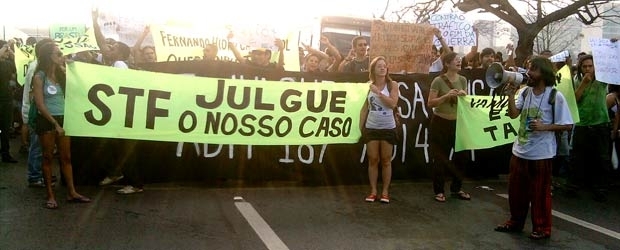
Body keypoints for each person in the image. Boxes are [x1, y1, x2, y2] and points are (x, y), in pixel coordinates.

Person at [495, 56, 573, 240]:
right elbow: (514, 114)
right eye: (529, 69)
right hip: (520, 150)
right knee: (516, 192)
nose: (528, 73)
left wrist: (545, 127)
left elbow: (567, 125)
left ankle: (542, 227)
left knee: (540, 194)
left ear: (543, 73)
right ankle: (515, 222)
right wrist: (510, 96)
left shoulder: (555, 96)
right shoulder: (525, 92)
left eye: (533, 70)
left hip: (541, 154)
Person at [32, 42, 91, 209]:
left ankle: (72, 192)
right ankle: (50, 194)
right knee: (48, 157)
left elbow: (81, 85)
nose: (62, 56)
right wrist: (55, 123)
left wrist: (73, 68)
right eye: (58, 54)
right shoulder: (39, 76)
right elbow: (40, 104)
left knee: (66, 157)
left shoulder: (63, 74)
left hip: (65, 118)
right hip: (47, 120)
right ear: (48, 56)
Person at [567, 54, 612, 202]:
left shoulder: (602, 79)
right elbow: (575, 99)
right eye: (584, 66)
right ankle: (574, 186)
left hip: (600, 123)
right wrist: (583, 84)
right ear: (580, 67)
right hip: (582, 124)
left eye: (590, 66)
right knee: (577, 157)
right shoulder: (576, 80)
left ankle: (600, 189)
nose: (587, 69)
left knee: (601, 158)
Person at [427, 52, 470, 202]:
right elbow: (431, 103)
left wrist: (464, 96)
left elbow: (467, 103)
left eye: (460, 60)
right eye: (456, 60)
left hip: (458, 123)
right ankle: (439, 190)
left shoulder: (463, 80)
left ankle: (456, 188)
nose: (459, 62)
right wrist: (446, 96)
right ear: (447, 64)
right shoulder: (438, 81)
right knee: (439, 158)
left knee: (461, 157)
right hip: (440, 122)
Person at [359, 56, 399, 204]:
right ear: (373, 70)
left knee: (386, 160)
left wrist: (379, 93)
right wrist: (360, 128)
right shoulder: (367, 86)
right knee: (373, 160)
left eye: (384, 66)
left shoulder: (392, 85)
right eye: (379, 66)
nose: (382, 68)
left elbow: (393, 104)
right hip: (372, 127)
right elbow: (364, 109)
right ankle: (373, 190)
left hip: (388, 127)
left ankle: (385, 191)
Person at [22, 38, 55, 187]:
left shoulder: (45, 68)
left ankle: (41, 173)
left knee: (43, 147)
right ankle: (34, 176)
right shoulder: (36, 68)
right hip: (37, 112)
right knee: (37, 146)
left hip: (44, 112)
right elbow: (31, 93)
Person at [0, 39, 18, 163]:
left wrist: (11, 51)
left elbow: (20, 64)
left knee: (6, 128)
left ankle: (6, 153)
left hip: (7, 100)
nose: (7, 52)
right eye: (5, 50)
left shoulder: (8, 63)